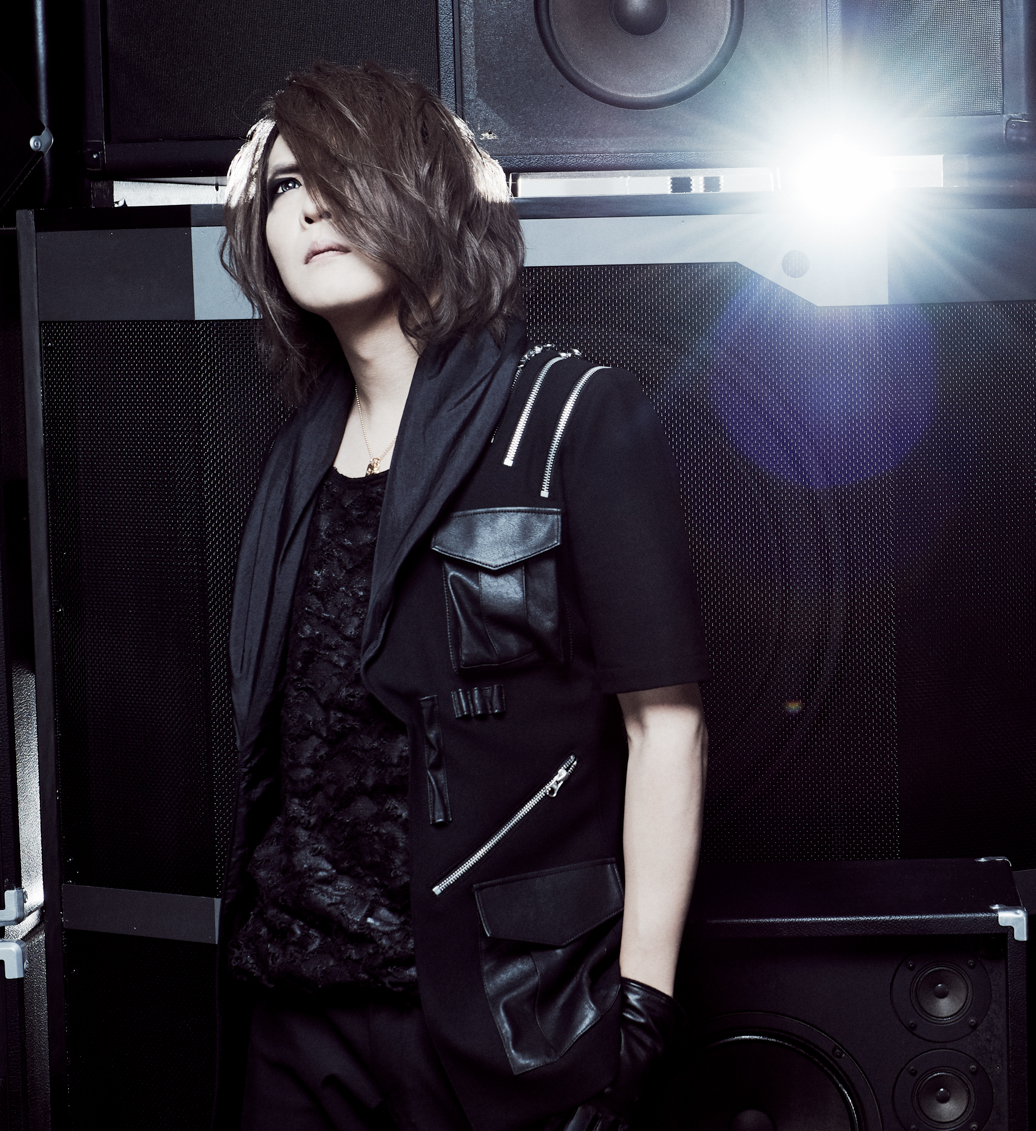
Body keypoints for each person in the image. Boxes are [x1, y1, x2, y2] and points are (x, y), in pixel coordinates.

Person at [218, 61, 709, 1131]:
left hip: (498, 1024)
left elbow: (665, 726)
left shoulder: (572, 414)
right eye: (286, 184)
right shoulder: (290, 464)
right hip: (294, 1012)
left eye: (342, 173)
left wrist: (640, 1011)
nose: (310, 207)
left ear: (423, 192)